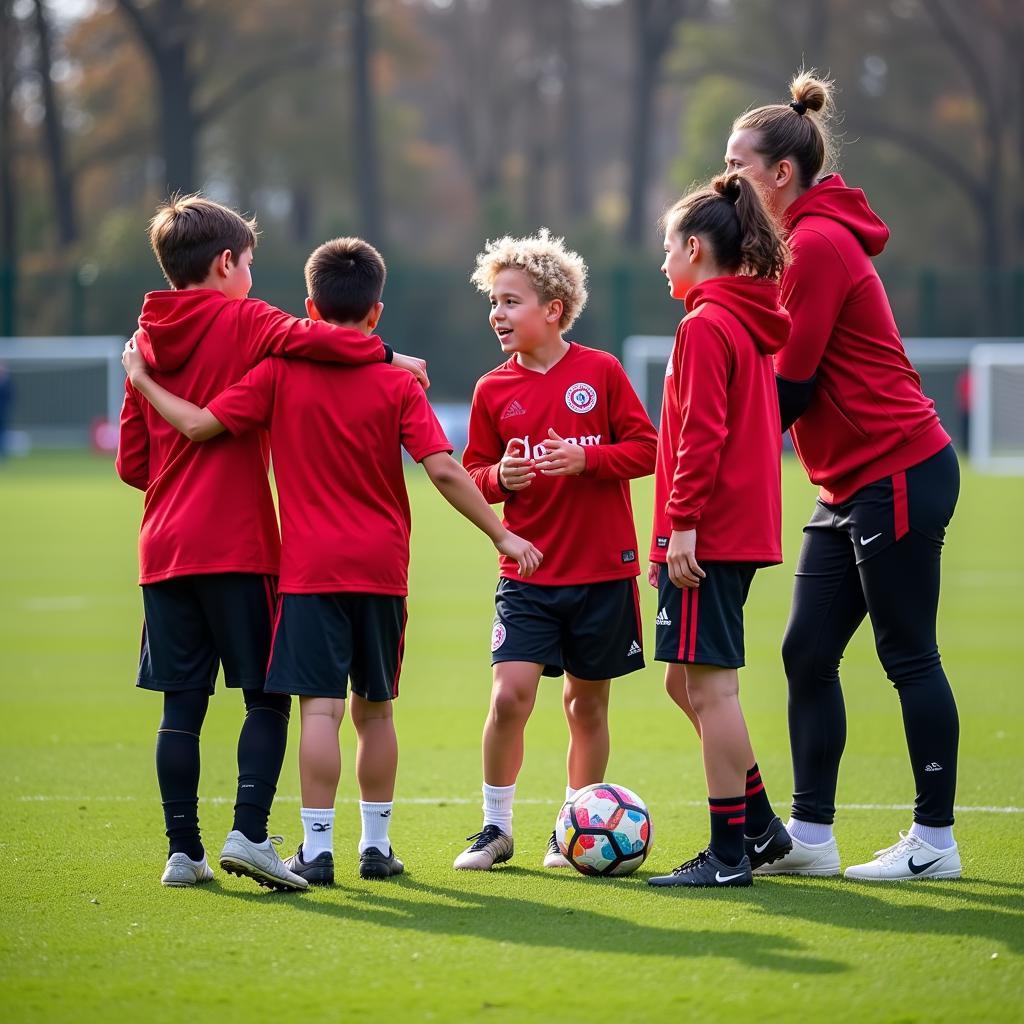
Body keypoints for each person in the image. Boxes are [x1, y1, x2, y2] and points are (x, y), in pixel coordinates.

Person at [123, 236, 543, 886]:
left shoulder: (260, 372)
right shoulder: (390, 381)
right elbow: (444, 470)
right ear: (375, 313)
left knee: (304, 709)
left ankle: (306, 851)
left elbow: (189, 433)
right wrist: (501, 534)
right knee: (369, 708)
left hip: (292, 569)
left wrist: (142, 379)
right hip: (371, 567)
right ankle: (370, 845)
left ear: (311, 306)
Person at [116, 196, 428, 891]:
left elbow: (132, 464)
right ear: (226, 263)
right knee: (266, 697)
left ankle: (182, 852)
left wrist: (145, 394)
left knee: (181, 706)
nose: (253, 277)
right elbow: (328, 341)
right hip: (240, 541)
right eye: (250, 263)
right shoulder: (245, 318)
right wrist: (390, 355)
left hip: (163, 544)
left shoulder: (143, 339)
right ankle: (251, 835)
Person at [724, 71, 962, 880]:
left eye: (739, 166)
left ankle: (935, 844)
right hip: (849, 483)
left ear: (781, 174)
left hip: (897, 468)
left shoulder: (818, 244)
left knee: (909, 657)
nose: (727, 183)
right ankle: (813, 839)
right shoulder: (797, 242)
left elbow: (790, 382)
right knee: (806, 652)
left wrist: (713, 451)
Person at [455, 229, 657, 871]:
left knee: (585, 703)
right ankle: (495, 828)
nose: (497, 314)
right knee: (509, 695)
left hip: (602, 571)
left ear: (553, 307)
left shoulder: (600, 372)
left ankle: (574, 828)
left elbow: (648, 450)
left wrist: (589, 458)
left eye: (510, 301)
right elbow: (475, 469)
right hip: (527, 571)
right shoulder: (492, 390)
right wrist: (500, 479)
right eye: (494, 302)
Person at [644, 173, 792, 888]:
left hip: (712, 535)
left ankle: (730, 853)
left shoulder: (706, 324)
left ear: (695, 248)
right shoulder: (741, 320)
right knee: (684, 681)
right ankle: (759, 824)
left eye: (667, 247)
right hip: (732, 529)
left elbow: (700, 437)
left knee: (712, 691)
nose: (662, 261)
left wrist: (682, 528)